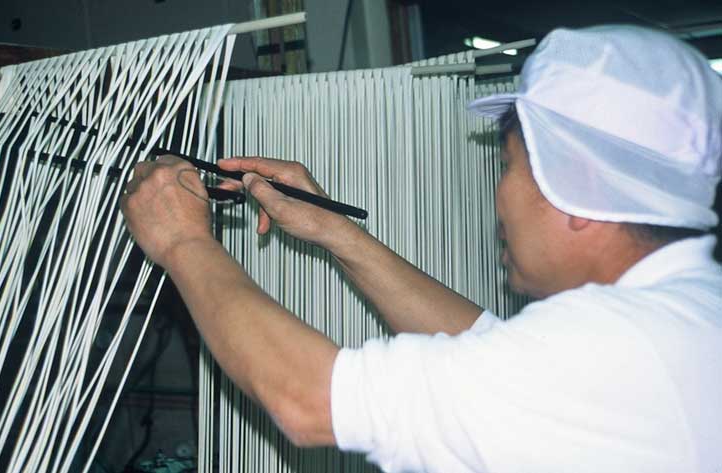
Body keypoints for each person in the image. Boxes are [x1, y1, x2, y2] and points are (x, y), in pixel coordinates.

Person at [120, 25, 722, 472]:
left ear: (579, 186)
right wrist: (334, 230)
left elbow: (307, 399)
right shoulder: (680, 318)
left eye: (506, 165)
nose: (498, 194)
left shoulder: (618, 350)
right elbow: (482, 345)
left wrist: (182, 241)